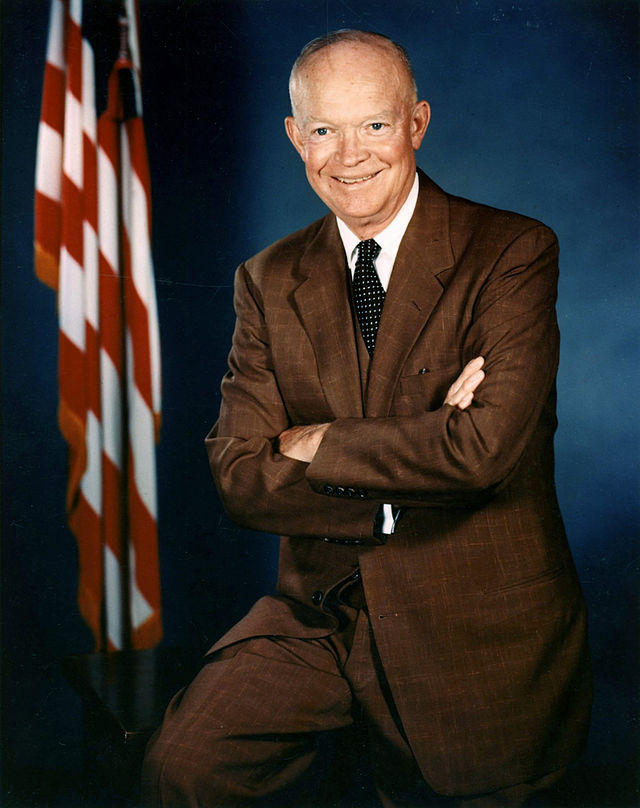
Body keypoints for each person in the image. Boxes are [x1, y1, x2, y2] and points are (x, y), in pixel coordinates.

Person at [142, 29, 591, 807]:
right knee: (179, 768)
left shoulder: (512, 251)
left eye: (374, 125)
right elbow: (239, 477)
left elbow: (482, 452)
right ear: (294, 136)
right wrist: (424, 444)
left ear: (417, 123)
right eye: (324, 129)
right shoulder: (266, 278)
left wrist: (314, 443)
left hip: (471, 621)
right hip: (321, 614)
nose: (349, 156)